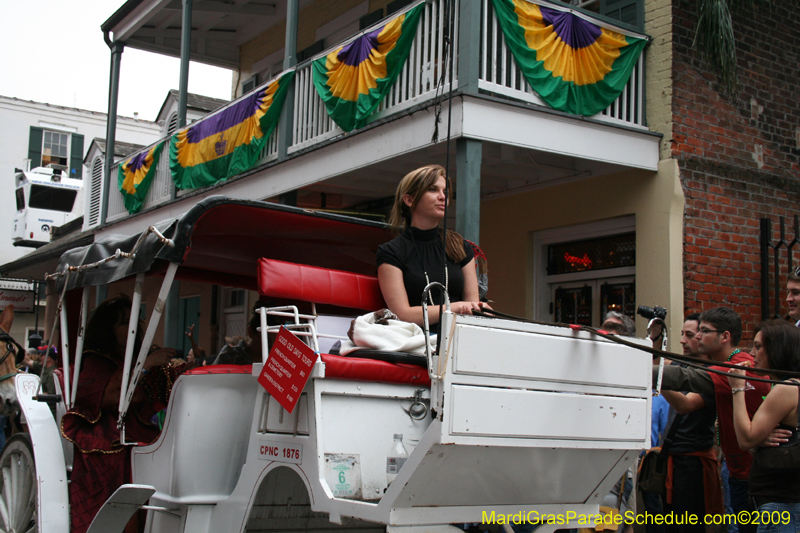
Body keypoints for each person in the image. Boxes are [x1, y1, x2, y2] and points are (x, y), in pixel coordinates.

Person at [60, 295, 189, 533]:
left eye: (134, 321)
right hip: (104, 433)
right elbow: (111, 398)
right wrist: (145, 366)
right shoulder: (93, 360)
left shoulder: (135, 355)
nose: (131, 327)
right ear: (108, 328)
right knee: (128, 456)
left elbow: (151, 396)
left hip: (135, 429)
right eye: (123, 322)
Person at [653, 307, 770, 533]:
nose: (696, 337)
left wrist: (639, 369)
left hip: (750, 474)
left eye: (702, 331)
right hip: (739, 470)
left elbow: (683, 388)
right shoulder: (725, 366)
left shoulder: (735, 366)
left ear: (724, 336)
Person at [376, 165, 488, 331]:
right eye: (433, 190)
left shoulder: (460, 246)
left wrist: (480, 309)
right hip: (417, 341)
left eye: (445, 191)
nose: (442, 197)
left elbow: (472, 306)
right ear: (409, 200)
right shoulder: (391, 252)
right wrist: (455, 307)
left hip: (459, 336)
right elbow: (402, 314)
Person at [728, 320, 800, 532]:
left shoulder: (787, 388)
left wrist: (737, 388)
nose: (752, 354)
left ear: (777, 349)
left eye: (758, 347)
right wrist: (758, 442)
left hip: (781, 506)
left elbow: (745, 438)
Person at [657, 313, 723, 533]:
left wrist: (656, 378)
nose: (683, 340)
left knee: (688, 527)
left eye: (690, 335)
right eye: (682, 334)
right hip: (671, 458)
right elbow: (659, 361)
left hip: (692, 464)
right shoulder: (679, 363)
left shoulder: (713, 375)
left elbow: (685, 404)